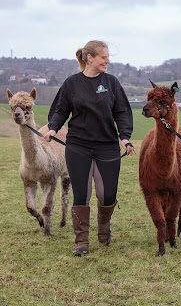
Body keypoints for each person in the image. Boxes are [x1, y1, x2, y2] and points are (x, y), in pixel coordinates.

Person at [44, 40, 135, 256]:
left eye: (108, 57)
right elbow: (60, 110)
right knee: (81, 194)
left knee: (107, 194)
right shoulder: (71, 84)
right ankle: (81, 241)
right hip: (78, 146)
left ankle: (104, 229)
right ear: (90, 58)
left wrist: (125, 137)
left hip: (106, 146)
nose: (108, 61)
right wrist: (53, 128)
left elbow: (121, 112)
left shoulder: (111, 83)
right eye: (104, 57)